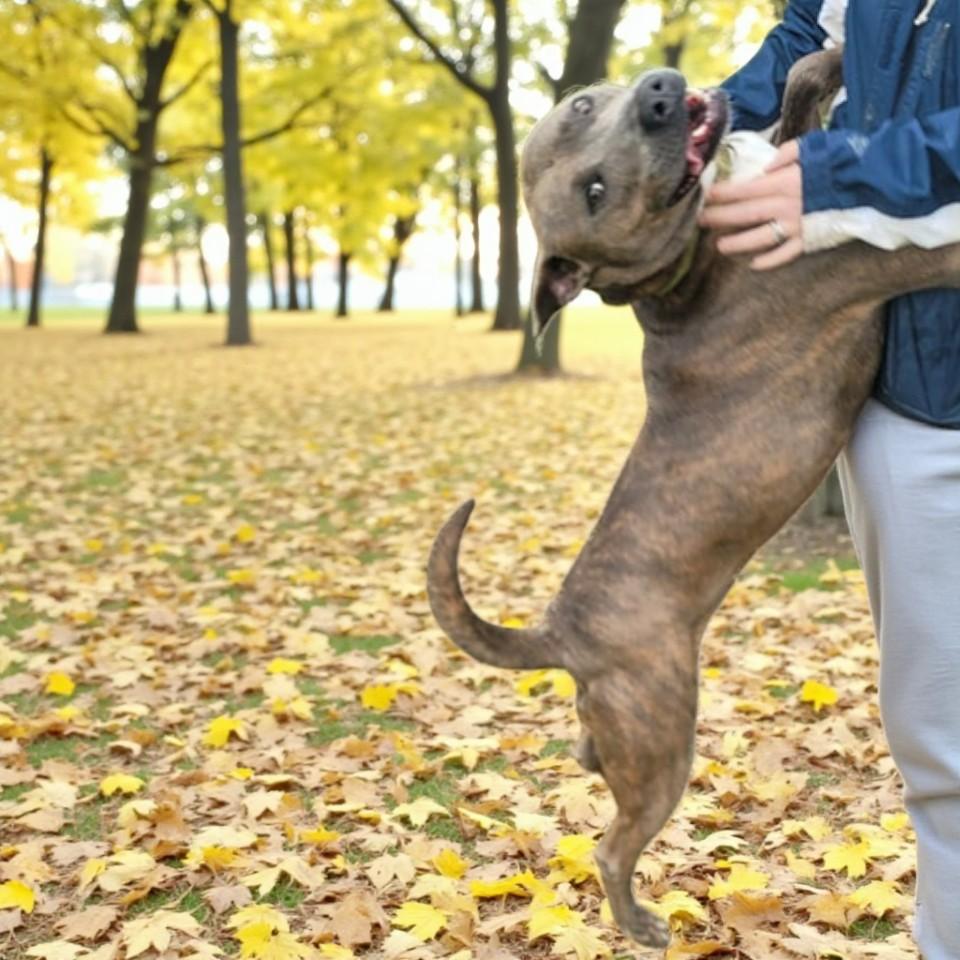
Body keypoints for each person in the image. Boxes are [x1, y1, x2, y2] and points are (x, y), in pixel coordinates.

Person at [700, 2, 960, 957]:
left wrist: (837, 176)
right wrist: (705, 117)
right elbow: (803, 44)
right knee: (943, 748)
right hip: (915, 397)